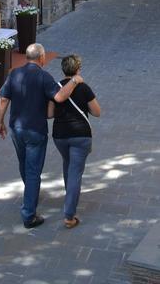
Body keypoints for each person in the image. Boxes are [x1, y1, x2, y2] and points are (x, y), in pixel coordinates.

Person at [0, 43, 83, 228]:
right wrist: (75, 81)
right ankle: (29, 215)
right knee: (33, 171)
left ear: (27, 57)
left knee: (24, 164)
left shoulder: (14, 74)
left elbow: (3, 99)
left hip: (17, 129)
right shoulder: (44, 76)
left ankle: (30, 193)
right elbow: (59, 97)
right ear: (42, 58)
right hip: (36, 130)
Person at [50, 54, 101, 228]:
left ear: (63, 69)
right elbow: (97, 112)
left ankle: (69, 194)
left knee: (68, 163)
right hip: (81, 136)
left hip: (60, 136)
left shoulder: (55, 87)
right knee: (75, 173)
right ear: (77, 69)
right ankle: (69, 215)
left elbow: (49, 114)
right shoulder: (84, 88)